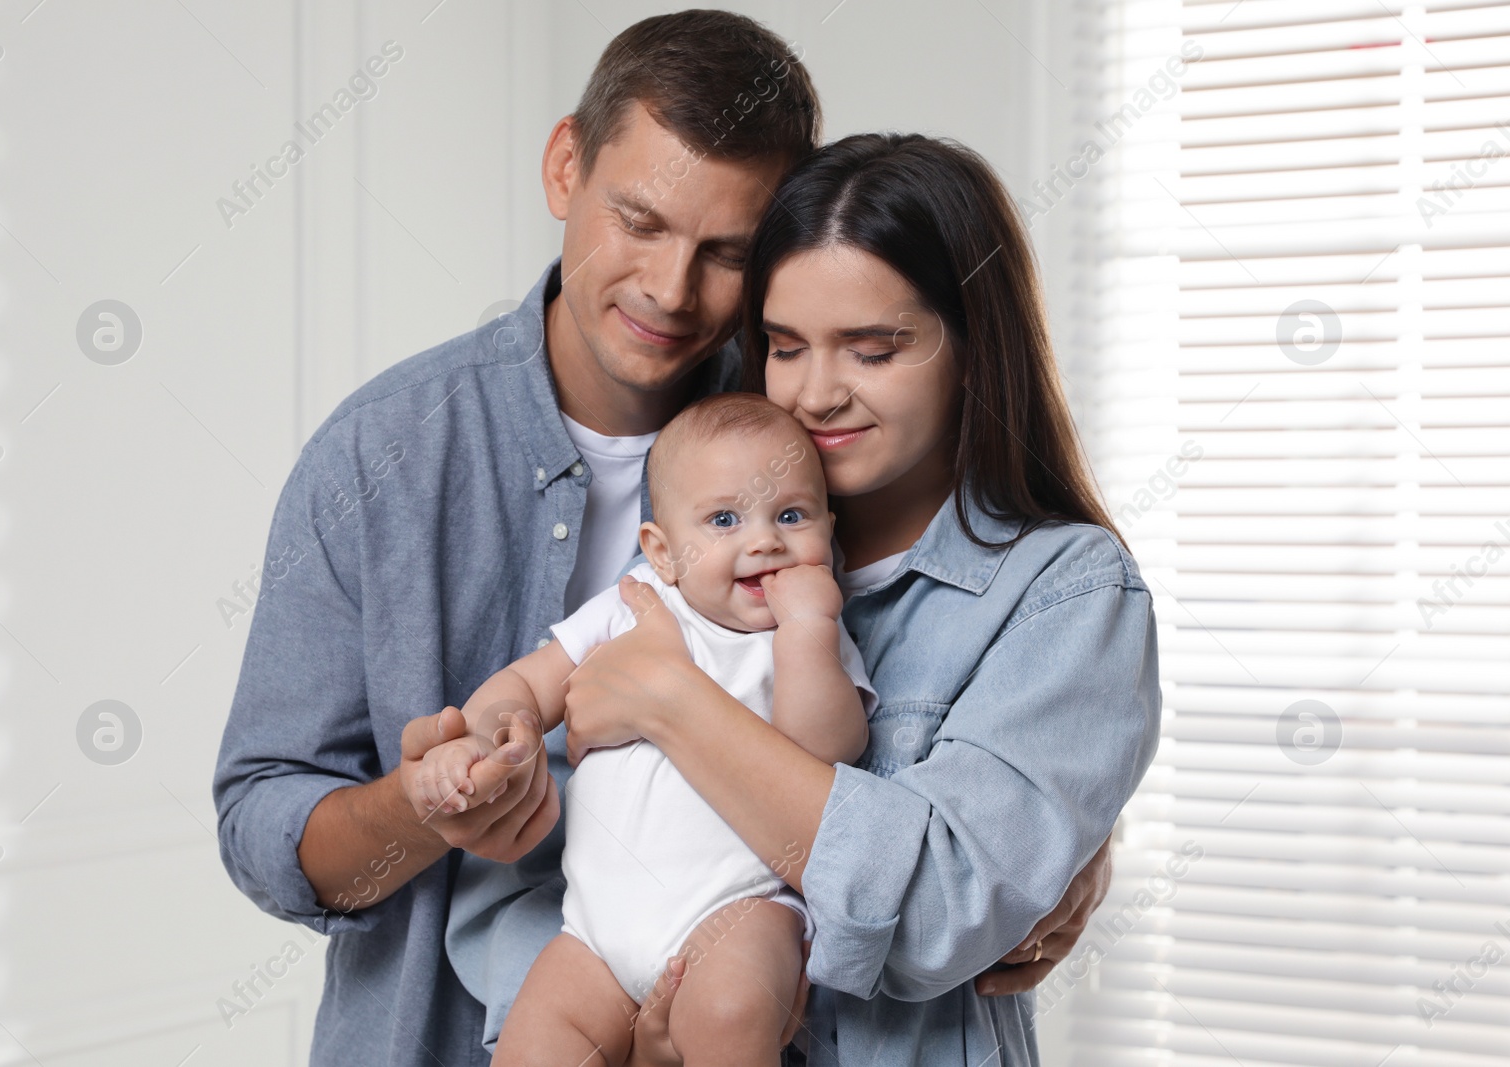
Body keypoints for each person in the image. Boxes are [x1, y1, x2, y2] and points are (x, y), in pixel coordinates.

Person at [212, 11, 1112, 1066]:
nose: (671, 290)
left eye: (726, 252)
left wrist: (1058, 847)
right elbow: (265, 826)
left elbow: (960, 682)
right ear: (564, 168)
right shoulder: (382, 453)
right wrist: (425, 807)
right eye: (638, 221)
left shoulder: (811, 442)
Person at [551, 133, 1163, 1064]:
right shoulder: (702, 538)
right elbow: (574, 856)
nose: (817, 394)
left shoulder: (1064, 591)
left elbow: (932, 911)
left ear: (973, 347)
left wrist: (671, 701)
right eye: (786, 348)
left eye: (873, 350)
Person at [422, 394, 873, 1064]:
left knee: (731, 1011)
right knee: (536, 1041)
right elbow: (528, 682)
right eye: (725, 518)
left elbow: (827, 752)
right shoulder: (634, 606)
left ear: (827, 534)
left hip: (739, 912)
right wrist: (490, 736)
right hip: (595, 934)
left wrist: (810, 631)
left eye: (791, 515)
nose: (764, 539)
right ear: (661, 552)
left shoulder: (805, 638)